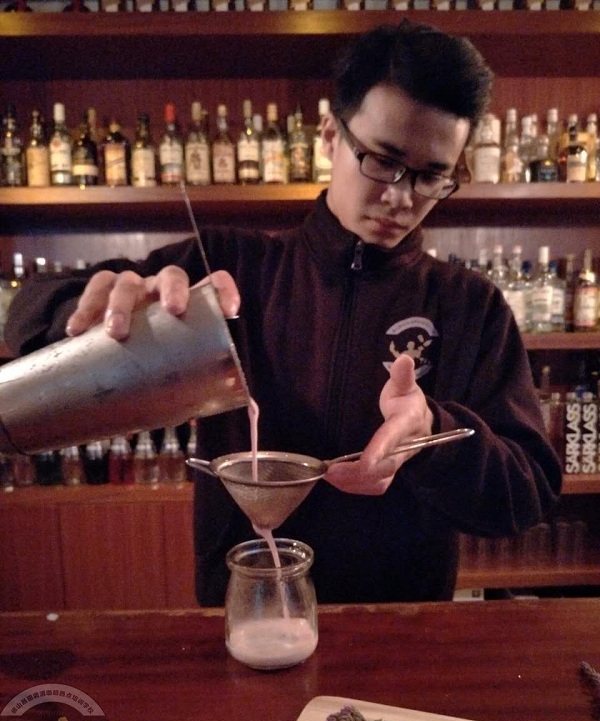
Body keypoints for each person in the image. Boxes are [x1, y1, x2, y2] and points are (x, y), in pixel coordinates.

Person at [6, 20, 562, 605]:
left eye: (431, 176)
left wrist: (433, 437)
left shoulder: (472, 305)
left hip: (400, 624)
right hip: (246, 612)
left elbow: (527, 492)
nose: (401, 197)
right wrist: (92, 313)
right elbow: (29, 311)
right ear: (329, 135)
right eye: (383, 160)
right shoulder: (226, 266)